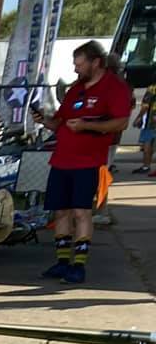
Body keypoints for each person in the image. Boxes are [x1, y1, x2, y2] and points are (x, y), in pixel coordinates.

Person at [42, 41, 133, 285]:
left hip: (87, 161)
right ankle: (62, 262)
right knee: (60, 210)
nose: (76, 70)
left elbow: (121, 122)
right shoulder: (76, 89)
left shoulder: (114, 87)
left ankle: (78, 265)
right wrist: (44, 120)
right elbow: (59, 121)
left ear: (96, 63)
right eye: (75, 64)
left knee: (81, 211)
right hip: (61, 159)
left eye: (79, 65)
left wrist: (87, 126)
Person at [137, 87, 155, 174]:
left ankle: (146, 166)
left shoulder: (152, 88)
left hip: (151, 120)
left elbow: (145, 105)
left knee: (147, 142)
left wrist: (139, 117)